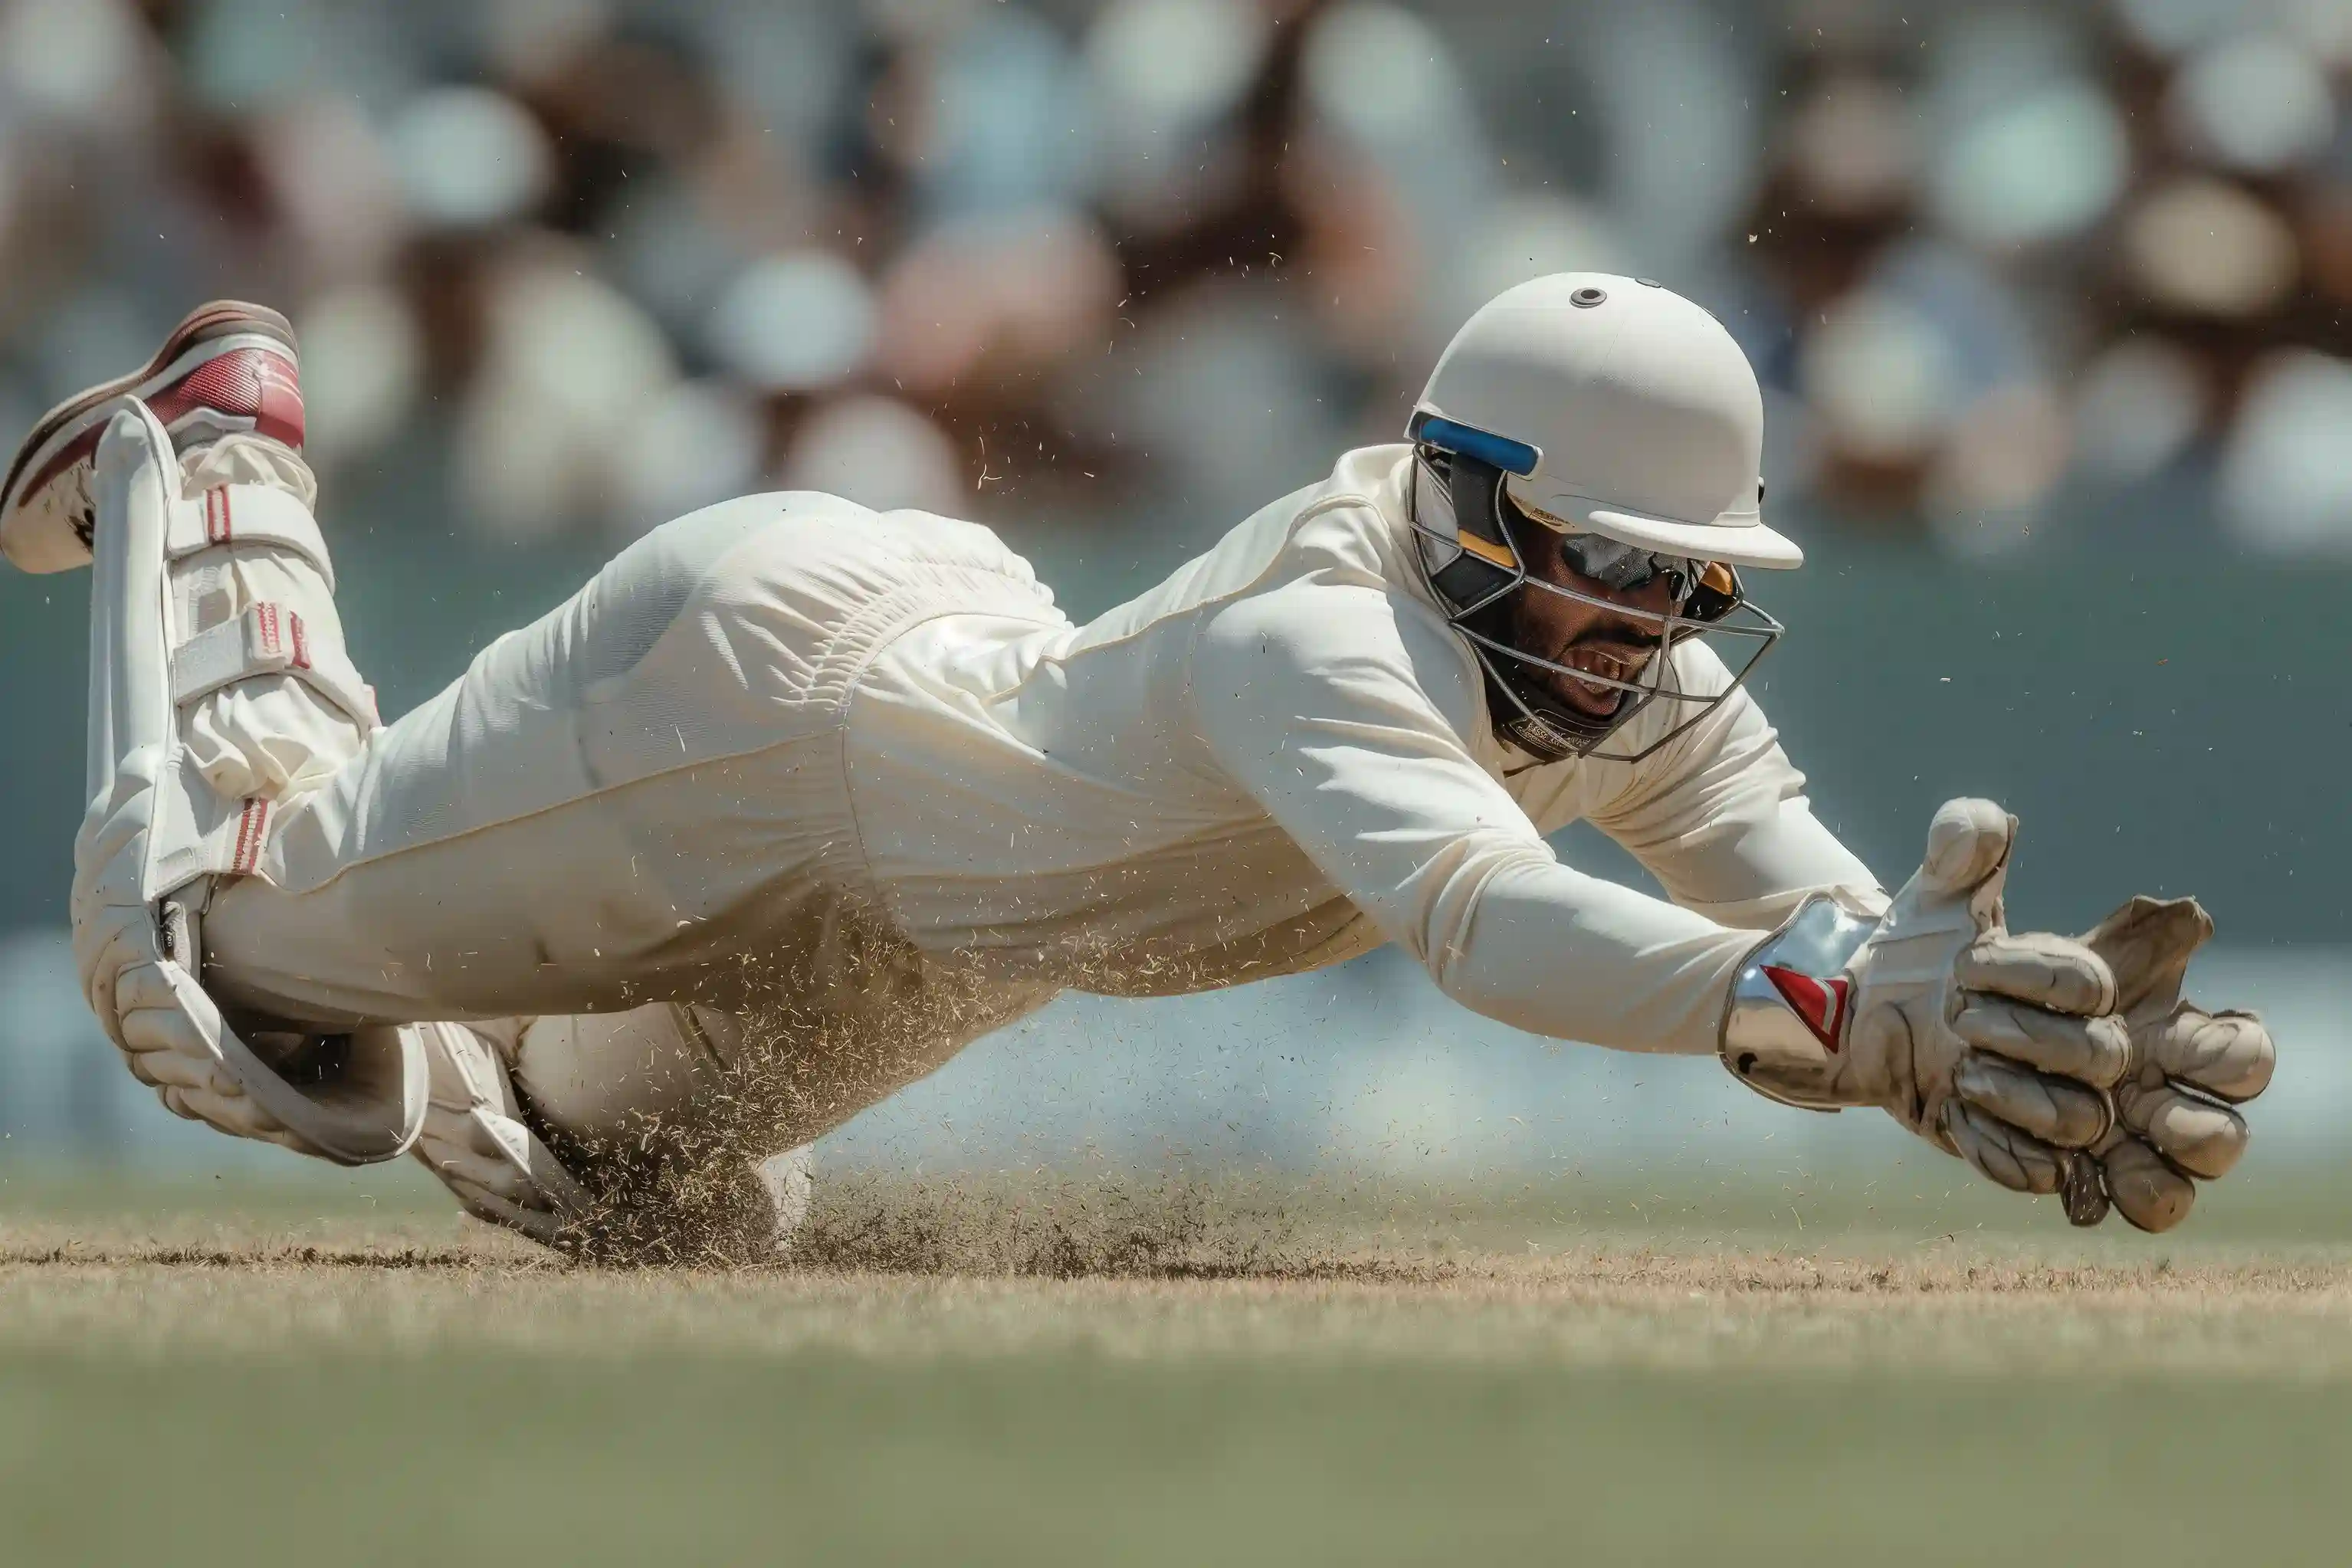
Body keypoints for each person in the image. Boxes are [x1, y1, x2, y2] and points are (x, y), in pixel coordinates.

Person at [4, 275, 2273, 1258]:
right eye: (1609, 566)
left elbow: (1805, 900)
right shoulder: (1325, 629)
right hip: (764, 714)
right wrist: (1824, 1017)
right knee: (220, 985)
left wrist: (1958, 1006)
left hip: (946, 929)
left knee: (608, 1182)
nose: (1647, 627)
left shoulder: (1633, 675)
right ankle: (225, 448)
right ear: (1470, 503)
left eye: (1688, 581)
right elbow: (1491, 927)